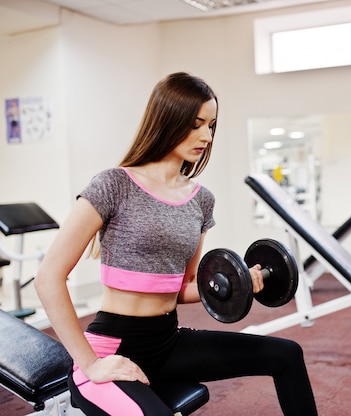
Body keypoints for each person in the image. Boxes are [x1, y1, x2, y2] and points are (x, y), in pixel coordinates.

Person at [34, 72, 318, 416]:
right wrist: (91, 364)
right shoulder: (114, 184)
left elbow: (184, 287)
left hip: (168, 342)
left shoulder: (201, 200)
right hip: (112, 348)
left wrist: (241, 281)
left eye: (211, 125)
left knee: (286, 354)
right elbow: (48, 278)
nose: (206, 136)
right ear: (168, 120)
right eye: (196, 124)